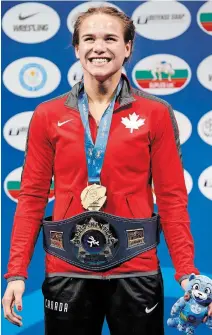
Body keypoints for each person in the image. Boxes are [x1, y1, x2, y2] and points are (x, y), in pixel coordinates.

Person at [2, 6, 212, 335]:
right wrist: (16, 273)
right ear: (77, 48)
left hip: (135, 271)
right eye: (89, 38)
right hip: (67, 272)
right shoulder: (47, 115)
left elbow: (171, 197)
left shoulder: (155, 113)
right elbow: (31, 197)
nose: (99, 46)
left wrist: (186, 272)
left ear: (127, 48)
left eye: (110, 38)